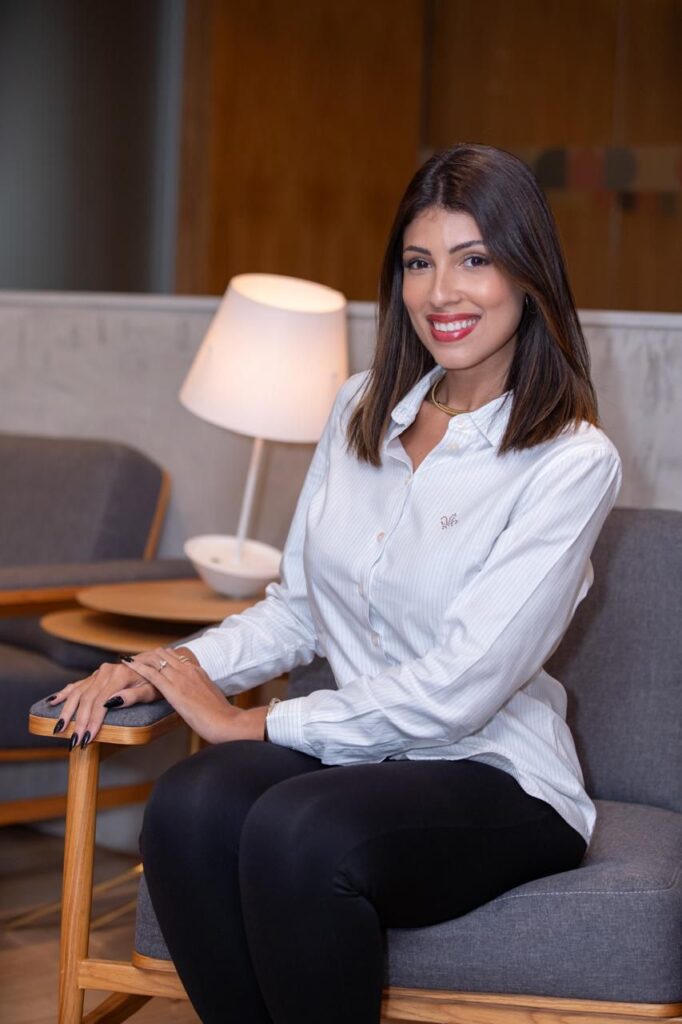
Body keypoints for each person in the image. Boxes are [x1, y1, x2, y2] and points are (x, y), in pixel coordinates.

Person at [47, 143, 622, 1024]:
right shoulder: (360, 408)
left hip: (495, 774)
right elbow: (299, 610)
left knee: (298, 832)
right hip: (362, 759)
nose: (442, 293)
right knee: (189, 805)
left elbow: (462, 687)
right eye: (419, 263)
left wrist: (254, 723)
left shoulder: (572, 460)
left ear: (528, 273)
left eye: (474, 260)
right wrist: (164, 668)